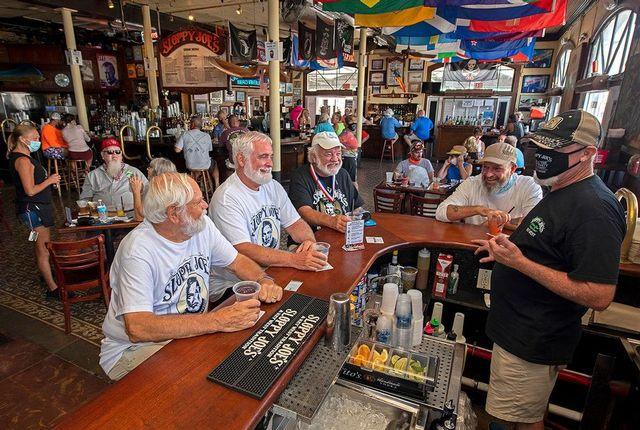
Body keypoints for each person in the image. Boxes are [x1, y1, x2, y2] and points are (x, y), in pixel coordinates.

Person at [472, 110, 626, 430]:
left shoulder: (595, 208)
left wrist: (520, 263)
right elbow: (549, 246)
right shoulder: (561, 188)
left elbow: (599, 294)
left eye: (555, 151)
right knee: (514, 416)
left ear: (587, 154)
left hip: (534, 339)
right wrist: (507, 252)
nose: (544, 156)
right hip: (518, 332)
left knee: (516, 422)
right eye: (541, 147)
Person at [100, 172, 283, 380]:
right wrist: (216, 321)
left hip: (188, 333)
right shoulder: (138, 250)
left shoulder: (201, 226)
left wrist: (263, 280)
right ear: (174, 214)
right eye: (198, 202)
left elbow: (237, 261)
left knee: (246, 356)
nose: (205, 205)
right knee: (208, 378)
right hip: (135, 348)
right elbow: (138, 327)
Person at [209, 132, 327, 298]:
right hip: (235, 286)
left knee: (318, 292)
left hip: (271, 270)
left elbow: (296, 223)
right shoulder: (226, 198)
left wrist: (309, 241)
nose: (270, 163)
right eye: (263, 157)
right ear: (241, 160)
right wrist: (294, 260)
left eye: (270, 156)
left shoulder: (272, 186)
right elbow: (244, 249)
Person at [7, 124, 61, 298]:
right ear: (23, 139)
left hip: (37, 207)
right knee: (43, 250)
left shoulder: (23, 157)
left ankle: (46, 275)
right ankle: (53, 289)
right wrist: (50, 180)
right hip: (33, 209)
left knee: (42, 248)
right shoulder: (22, 160)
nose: (38, 141)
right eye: (35, 138)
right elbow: (30, 190)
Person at [436, 142, 542, 227]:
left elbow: (532, 224)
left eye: (497, 168)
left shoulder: (529, 186)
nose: (488, 174)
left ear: (512, 169)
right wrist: (477, 209)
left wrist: (494, 222)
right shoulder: (472, 183)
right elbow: (441, 212)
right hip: (472, 245)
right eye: (485, 167)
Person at [290, 132, 364, 233]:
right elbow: (304, 211)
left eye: (338, 153)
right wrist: (331, 221)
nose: (335, 159)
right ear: (313, 157)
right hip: (311, 239)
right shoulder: (300, 176)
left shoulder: (343, 174)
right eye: (328, 154)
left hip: (341, 236)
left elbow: (356, 207)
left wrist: (355, 220)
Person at [80, 138, 148, 210]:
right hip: (103, 216)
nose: (114, 154)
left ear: (121, 155)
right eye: (110, 152)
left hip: (131, 214)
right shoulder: (93, 175)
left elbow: (148, 191)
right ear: (102, 155)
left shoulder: (131, 172)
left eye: (118, 151)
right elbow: (85, 199)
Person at [174, 116, 220, 188]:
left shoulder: (185, 134)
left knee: (192, 165)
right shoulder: (207, 136)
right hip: (205, 166)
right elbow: (209, 150)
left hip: (190, 165)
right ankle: (217, 184)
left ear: (192, 124)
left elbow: (177, 150)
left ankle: (195, 185)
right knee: (214, 163)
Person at [339, 115, 370, 187]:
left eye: (355, 122)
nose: (353, 124)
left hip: (350, 157)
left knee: (350, 180)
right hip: (348, 158)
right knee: (351, 181)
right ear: (346, 124)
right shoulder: (345, 134)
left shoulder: (350, 133)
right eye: (351, 122)